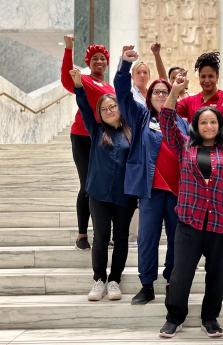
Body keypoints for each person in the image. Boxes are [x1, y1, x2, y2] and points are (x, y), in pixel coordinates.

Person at [158, 72, 223, 338]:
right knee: (180, 274)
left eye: (213, 122)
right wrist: (174, 92)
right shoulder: (184, 146)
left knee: (218, 275)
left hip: (222, 223)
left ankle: (210, 318)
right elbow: (166, 121)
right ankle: (174, 317)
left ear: (219, 126)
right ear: (196, 126)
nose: (208, 126)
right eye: (203, 122)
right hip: (190, 222)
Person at [113, 48, 189, 305]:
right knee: (147, 239)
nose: (160, 95)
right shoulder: (140, 116)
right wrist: (125, 64)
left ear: (173, 96)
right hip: (151, 191)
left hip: (178, 192)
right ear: (149, 96)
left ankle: (171, 281)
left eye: (166, 92)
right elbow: (121, 92)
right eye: (156, 92)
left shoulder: (182, 122)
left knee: (177, 241)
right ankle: (147, 285)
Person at [69, 68, 136, 301]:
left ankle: (115, 280)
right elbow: (84, 107)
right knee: (100, 236)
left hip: (124, 196)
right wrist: (78, 85)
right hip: (98, 194)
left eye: (112, 107)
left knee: (120, 237)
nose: (109, 111)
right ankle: (99, 279)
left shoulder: (131, 132)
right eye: (104, 109)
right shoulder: (96, 131)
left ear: (120, 109)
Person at [61, 35, 114, 250]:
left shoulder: (109, 87)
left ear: (106, 62)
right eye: (95, 59)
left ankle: (103, 233)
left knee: (104, 185)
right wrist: (69, 48)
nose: (99, 62)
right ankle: (82, 234)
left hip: (104, 139)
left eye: (102, 58)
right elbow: (66, 79)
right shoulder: (83, 79)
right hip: (83, 137)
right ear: (88, 63)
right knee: (87, 184)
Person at [176, 51, 223, 134]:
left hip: (221, 146)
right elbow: (167, 115)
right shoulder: (189, 101)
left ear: (217, 76)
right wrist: (175, 89)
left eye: (210, 76)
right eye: (203, 76)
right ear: (199, 77)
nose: (206, 81)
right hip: (195, 146)